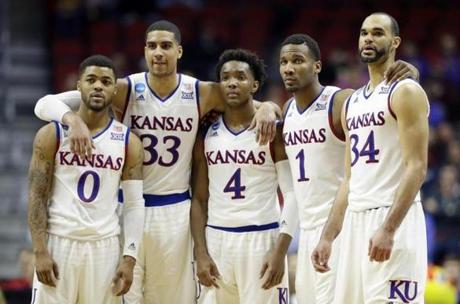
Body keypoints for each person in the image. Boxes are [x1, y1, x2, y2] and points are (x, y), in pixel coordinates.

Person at [33, 21, 280, 303]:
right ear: (145, 51)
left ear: (179, 51)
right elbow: (45, 103)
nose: (158, 52)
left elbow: (245, 100)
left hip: (174, 211)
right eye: (152, 46)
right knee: (125, 296)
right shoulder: (124, 88)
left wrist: (269, 108)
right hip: (127, 208)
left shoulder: (200, 92)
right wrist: (71, 118)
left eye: (165, 46)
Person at [279, 33, 419, 303]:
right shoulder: (286, 110)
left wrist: (411, 72)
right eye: (284, 62)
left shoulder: (340, 100)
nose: (289, 67)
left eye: (297, 60)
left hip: (339, 226)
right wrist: (266, 109)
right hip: (307, 230)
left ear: (317, 66)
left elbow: (380, 104)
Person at [312, 12, 429, 303]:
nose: (368, 38)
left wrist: (389, 229)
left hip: (392, 217)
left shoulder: (406, 91)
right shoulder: (351, 102)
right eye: (364, 32)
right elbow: (349, 179)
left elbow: (417, 167)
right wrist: (328, 236)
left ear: (395, 42)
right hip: (355, 221)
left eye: (378, 33)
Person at [28, 55, 145, 303]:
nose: (98, 86)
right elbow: (37, 195)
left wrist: (129, 257)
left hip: (105, 247)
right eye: (91, 80)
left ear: (115, 89)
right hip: (59, 241)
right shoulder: (52, 134)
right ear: (78, 85)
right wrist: (39, 250)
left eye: (105, 81)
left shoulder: (128, 142)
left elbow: (134, 205)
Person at [191, 49, 296, 304]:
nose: (232, 82)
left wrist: (280, 250)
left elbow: (292, 195)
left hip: (262, 238)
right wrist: (201, 253)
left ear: (254, 85)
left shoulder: (274, 132)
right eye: (226, 77)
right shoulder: (206, 134)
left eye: (240, 76)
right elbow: (199, 200)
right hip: (217, 239)